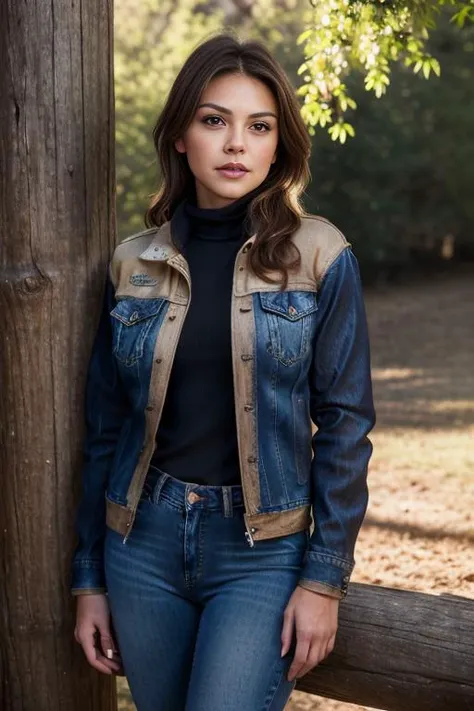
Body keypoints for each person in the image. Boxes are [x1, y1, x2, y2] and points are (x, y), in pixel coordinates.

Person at [71, 32, 375, 711]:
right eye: (215, 120)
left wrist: (324, 580)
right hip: (140, 543)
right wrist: (89, 577)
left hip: (260, 551)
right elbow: (105, 429)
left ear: (279, 143)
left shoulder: (320, 254)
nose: (237, 144)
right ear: (182, 133)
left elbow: (348, 425)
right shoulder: (133, 264)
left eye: (259, 126)